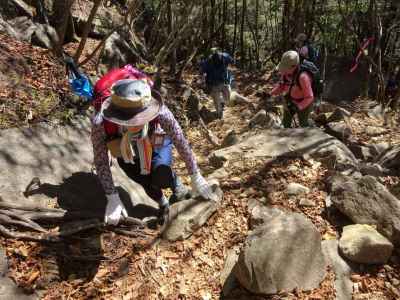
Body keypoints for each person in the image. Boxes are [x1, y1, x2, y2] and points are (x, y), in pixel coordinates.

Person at [91, 75, 216, 226]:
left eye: (141, 117)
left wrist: (195, 174)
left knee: (160, 172)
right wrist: (112, 197)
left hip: (155, 139)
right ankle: (163, 204)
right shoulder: (100, 122)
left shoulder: (160, 112)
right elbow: (101, 160)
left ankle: (176, 185)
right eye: (130, 121)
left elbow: (179, 140)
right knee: (144, 179)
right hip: (124, 149)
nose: (136, 123)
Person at [268, 50, 315, 128]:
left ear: (294, 66)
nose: (283, 70)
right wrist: (270, 93)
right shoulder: (286, 74)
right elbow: (281, 86)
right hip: (290, 101)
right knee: (285, 123)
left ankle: (311, 131)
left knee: (303, 124)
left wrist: (298, 106)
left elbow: (310, 97)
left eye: (286, 68)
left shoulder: (303, 77)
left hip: (304, 103)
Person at [200, 48, 234, 119]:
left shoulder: (225, 56)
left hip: (224, 81)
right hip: (213, 84)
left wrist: (230, 72)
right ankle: (219, 114)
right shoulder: (208, 62)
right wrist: (203, 82)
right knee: (216, 101)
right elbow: (202, 72)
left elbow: (232, 62)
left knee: (228, 97)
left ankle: (222, 102)